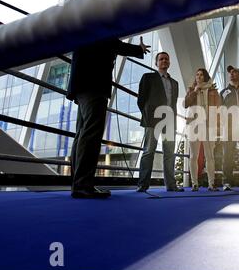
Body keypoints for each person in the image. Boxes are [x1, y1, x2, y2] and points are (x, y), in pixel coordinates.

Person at [67, 37, 150, 199]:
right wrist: (138, 50)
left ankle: (78, 183)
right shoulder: (99, 25)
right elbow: (113, 44)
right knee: (91, 133)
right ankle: (83, 184)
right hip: (94, 82)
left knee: (83, 133)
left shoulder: (84, 24)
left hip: (82, 83)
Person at [137, 52, 183, 192]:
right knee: (148, 151)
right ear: (156, 63)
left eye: (166, 59)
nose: (164, 61)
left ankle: (171, 185)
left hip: (169, 121)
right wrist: (147, 116)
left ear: (169, 63)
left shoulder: (175, 83)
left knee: (169, 154)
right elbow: (141, 100)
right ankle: (143, 185)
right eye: (161, 59)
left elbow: (174, 104)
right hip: (153, 120)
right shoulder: (148, 77)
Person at [184, 68, 221, 191]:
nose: (199, 77)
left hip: (209, 125)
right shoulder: (191, 89)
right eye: (197, 75)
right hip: (194, 125)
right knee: (193, 156)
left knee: (210, 156)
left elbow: (218, 109)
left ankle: (211, 184)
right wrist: (194, 91)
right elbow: (185, 104)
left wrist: (218, 127)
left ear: (205, 77)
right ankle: (194, 184)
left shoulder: (213, 91)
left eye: (201, 75)